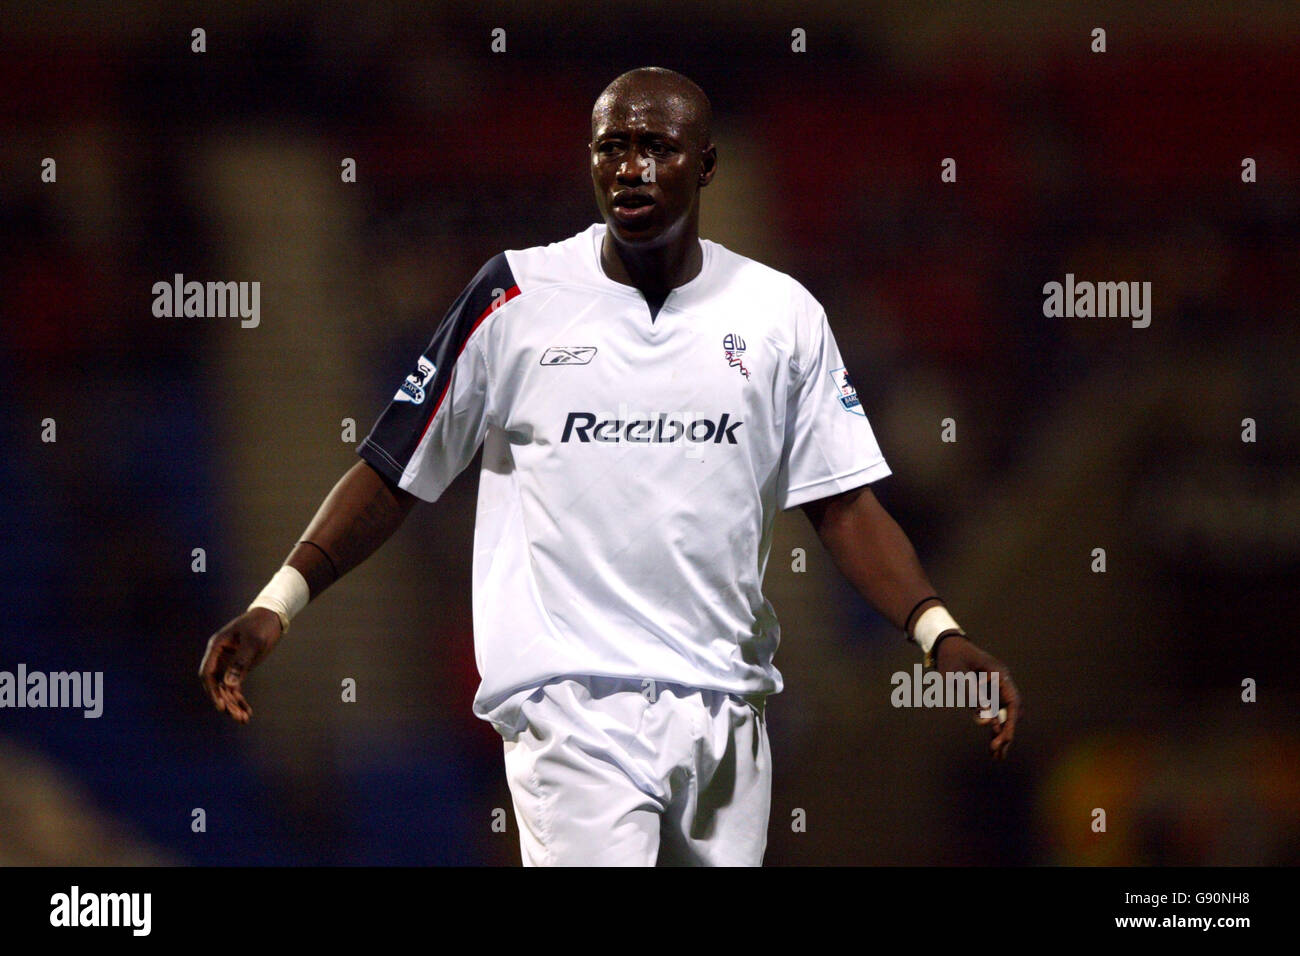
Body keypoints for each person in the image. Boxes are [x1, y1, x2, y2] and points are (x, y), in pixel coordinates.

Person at [199, 66, 1022, 866]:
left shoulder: (780, 315)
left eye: (656, 146)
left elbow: (843, 505)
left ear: (704, 164)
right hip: (573, 706)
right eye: (610, 146)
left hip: (728, 710)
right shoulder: (514, 295)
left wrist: (937, 632)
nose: (629, 167)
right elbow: (392, 469)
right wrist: (278, 602)